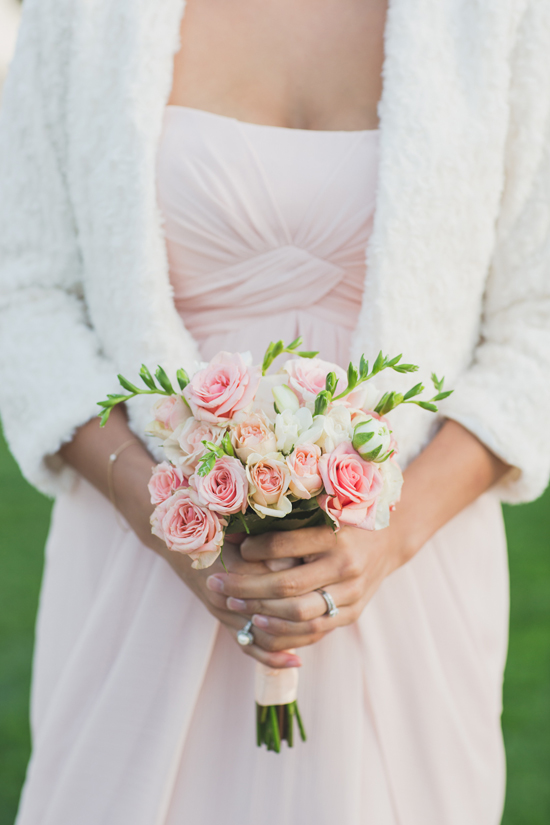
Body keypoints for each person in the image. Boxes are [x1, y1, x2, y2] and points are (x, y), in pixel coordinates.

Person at [0, 1, 549, 823]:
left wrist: (385, 537)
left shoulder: (499, 16)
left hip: (407, 577)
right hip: (140, 565)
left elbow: (535, 318)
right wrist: (166, 515)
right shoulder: (84, 13)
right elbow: (24, 291)